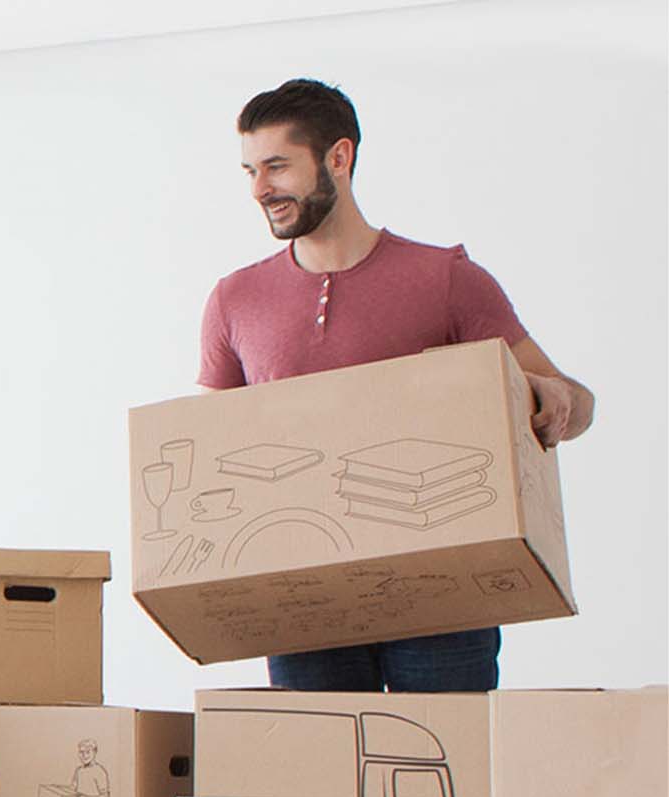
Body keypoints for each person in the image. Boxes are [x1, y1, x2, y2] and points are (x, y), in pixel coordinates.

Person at [199, 79, 594, 693]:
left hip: (441, 591)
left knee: (447, 776)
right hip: (305, 594)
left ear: (339, 157)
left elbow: (576, 400)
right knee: (315, 781)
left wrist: (557, 399)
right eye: (250, 170)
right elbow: (211, 449)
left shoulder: (446, 279)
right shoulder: (234, 300)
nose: (259, 189)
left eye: (277, 166)